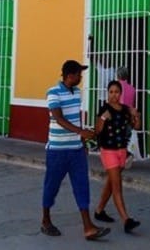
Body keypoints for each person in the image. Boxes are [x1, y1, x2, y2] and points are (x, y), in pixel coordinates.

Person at [41, 60, 110, 241]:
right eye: (79, 74)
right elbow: (58, 118)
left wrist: (81, 141)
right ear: (70, 75)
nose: (81, 77)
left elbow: (76, 118)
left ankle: (88, 226)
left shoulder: (77, 92)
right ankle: (45, 220)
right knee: (51, 186)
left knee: (82, 186)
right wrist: (81, 132)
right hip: (57, 150)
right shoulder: (53, 92)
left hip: (76, 150)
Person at [93, 80, 141, 233]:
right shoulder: (104, 109)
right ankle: (126, 220)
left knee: (111, 182)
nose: (114, 95)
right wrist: (103, 119)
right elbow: (97, 130)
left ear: (121, 94)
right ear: (108, 93)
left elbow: (136, 127)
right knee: (117, 186)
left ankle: (99, 211)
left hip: (121, 151)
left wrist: (136, 116)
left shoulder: (125, 109)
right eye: (111, 92)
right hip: (108, 151)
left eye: (117, 92)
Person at [117, 66, 142, 167]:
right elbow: (131, 103)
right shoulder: (132, 88)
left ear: (118, 75)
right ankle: (124, 158)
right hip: (129, 116)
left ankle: (126, 156)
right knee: (124, 139)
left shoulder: (117, 87)